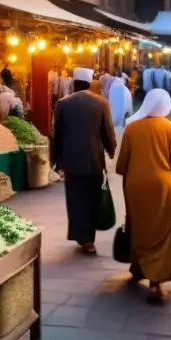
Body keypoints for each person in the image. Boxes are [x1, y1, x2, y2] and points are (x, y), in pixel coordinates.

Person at [117, 89, 171, 303]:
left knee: (138, 226)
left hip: (135, 185)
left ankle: (138, 268)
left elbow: (121, 165)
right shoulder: (170, 128)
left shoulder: (132, 128)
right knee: (163, 232)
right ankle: (156, 283)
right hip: (163, 186)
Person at [52, 67, 117, 254]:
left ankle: (82, 236)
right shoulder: (101, 103)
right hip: (94, 160)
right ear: (90, 83)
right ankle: (88, 239)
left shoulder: (63, 104)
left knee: (75, 198)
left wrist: (55, 160)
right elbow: (108, 132)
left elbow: (57, 134)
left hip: (71, 161)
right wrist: (112, 152)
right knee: (92, 197)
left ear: (73, 83)